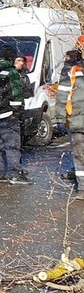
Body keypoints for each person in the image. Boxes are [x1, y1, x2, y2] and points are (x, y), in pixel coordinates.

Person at [0, 45, 31, 185]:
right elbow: (16, 94)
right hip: (6, 114)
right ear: (11, 58)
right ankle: (14, 175)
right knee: (12, 145)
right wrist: (16, 112)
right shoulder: (11, 72)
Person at [65, 54, 84, 199]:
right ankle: (82, 187)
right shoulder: (72, 71)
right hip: (77, 120)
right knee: (79, 155)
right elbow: (63, 94)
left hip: (77, 119)